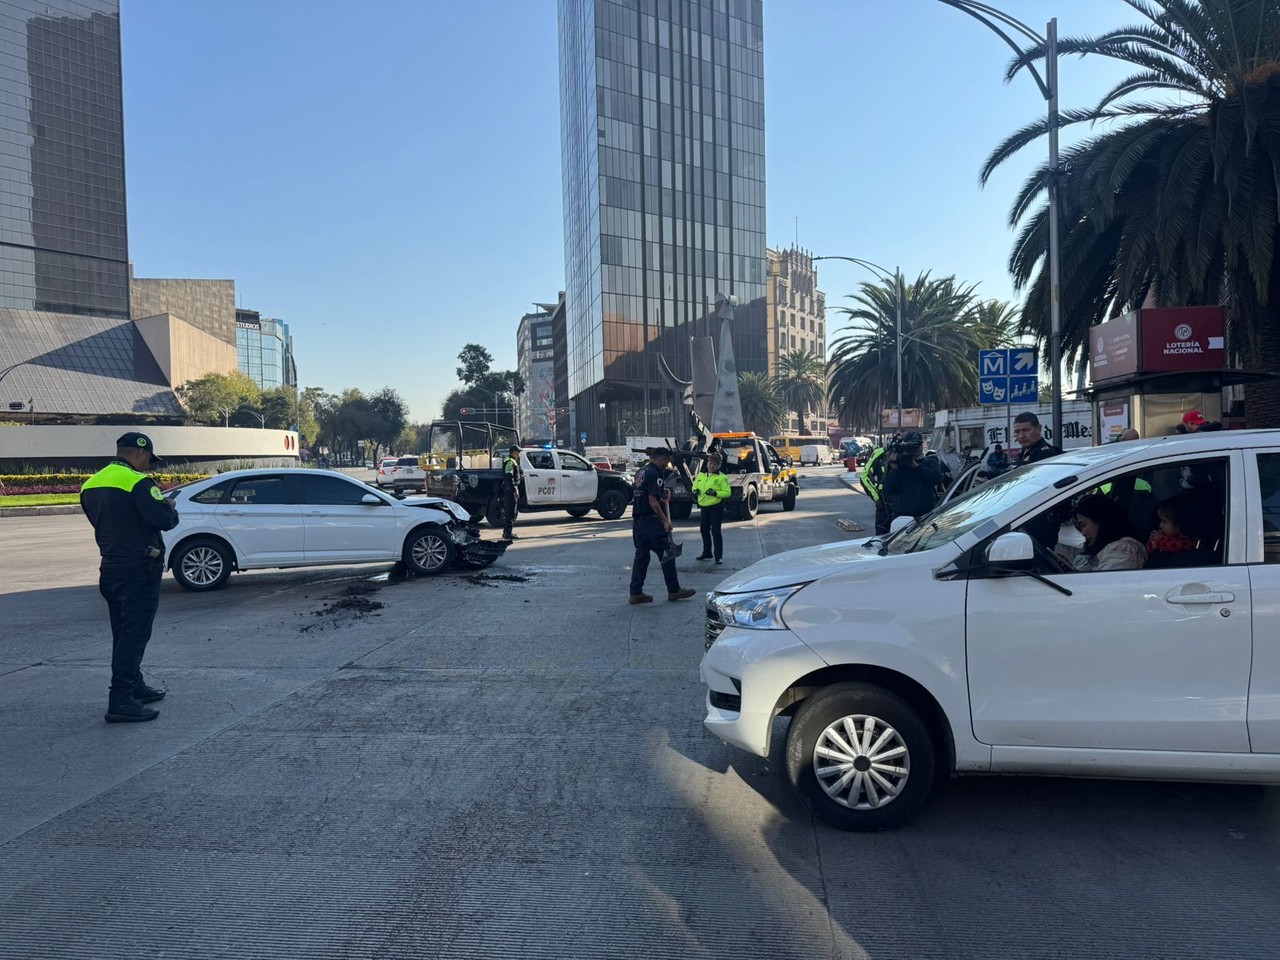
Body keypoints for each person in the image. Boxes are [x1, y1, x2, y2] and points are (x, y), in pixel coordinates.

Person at [80, 432, 179, 723]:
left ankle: (135, 686)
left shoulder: (91, 483)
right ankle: (120, 700)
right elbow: (166, 520)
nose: (149, 464)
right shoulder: (138, 482)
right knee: (134, 636)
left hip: (110, 567)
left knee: (123, 633)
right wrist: (168, 507)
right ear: (138, 453)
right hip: (138, 569)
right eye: (148, 458)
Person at [629, 448, 696, 604]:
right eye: (666, 461)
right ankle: (674, 590)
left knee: (641, 557)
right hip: (651, 523)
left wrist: (662, 494)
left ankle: (635, 592)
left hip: (638, 521)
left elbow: (645, 493)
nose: (667, 465)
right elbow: (652, 500)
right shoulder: (655, 474)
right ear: (661, 459)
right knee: (667, 554)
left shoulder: (641, 471)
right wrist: (665, 520)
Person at [1054, 494, 1147, 572]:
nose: (1083, 533)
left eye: (1084, 525)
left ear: (1100, 520)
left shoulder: (1123, 550)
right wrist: (1069, 567)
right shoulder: (1105, 546)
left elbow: (1102, 585)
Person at [882, 433, 943, 521]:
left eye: (918, 445)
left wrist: (916, 466)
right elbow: (888, 491)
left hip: (925, 514)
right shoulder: (900, 465)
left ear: (922, 445)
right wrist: (894, 469)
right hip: (903, 515)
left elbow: (936, 479)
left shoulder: (930, 462)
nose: (916, 448)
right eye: (912, 445)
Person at [693, 452, 731, 564]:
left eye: (714, 464)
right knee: (704, 530)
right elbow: (695, 486)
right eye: (710, 463)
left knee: (715, 531)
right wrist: (695, 491)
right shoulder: (701, 475)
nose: (711, 466)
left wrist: (715, 493)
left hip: (716, 507)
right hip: (704, 506)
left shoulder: (722, 477)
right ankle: (707, 552)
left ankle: (718, 556)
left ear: (719, 466)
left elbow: (727, 492)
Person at [861, 439, 892, 535]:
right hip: (885, 502)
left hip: (904, 504)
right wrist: (876, 498)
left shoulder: (910, 452)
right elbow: (864, 476)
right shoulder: (880, 453)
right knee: (882, 536)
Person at [500, 444, 522, 541]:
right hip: (510, 490)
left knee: (510, 511)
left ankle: (507, 532)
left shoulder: (510, 460)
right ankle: (507, 533)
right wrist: (514, 490)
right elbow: (509, 477)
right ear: (514, 452)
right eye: (518, 452)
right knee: (511, 511)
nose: (519, 454)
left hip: (509, 488)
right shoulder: (510, 461)